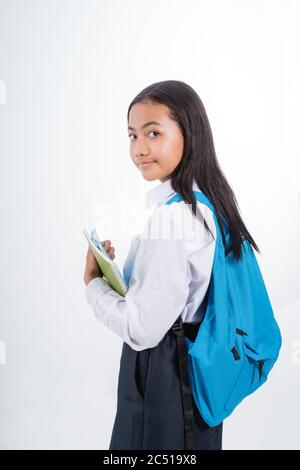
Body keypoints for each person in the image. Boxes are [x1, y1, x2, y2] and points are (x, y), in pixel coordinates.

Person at [83, 80, 260, 450]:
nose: (139, 148)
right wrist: (123, 277)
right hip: (195, 378)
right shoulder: (210, 204)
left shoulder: (174, 219)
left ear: (189, 134)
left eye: (153, 133)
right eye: (132, 135)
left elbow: (143, 328)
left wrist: (93, 285)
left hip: (165, 379)